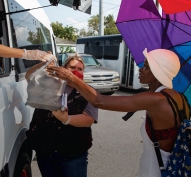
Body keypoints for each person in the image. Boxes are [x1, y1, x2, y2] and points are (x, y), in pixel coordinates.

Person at [47, 48, 190, 177]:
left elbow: (99, 101)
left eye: (146, 66)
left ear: (159, 71)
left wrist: (71, 77)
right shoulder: (179, 98)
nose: (141, 69)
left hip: (155, 172)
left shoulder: (156, 100)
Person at [25, 54, 98, 177]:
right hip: (45, 151)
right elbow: (29, 77)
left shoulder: (88, 91)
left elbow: (89, 119)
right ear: (64, 69)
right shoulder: (51, 83)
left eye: (80, 69)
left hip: (72, 155)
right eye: (72, 67)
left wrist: (67, 119)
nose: (76, 71)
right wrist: (43, 63)